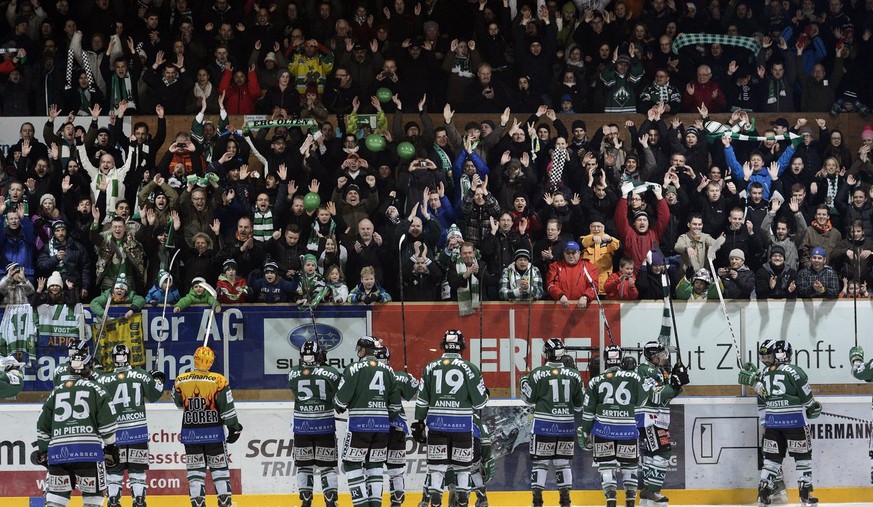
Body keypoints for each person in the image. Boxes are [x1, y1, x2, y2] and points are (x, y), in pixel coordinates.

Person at [36, 339, 119, 507]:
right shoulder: (98, 389)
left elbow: (42, 425)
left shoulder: (56, 392)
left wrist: (44, 450)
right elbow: (107, 426)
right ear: (89, 368)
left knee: (56, 496)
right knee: (93, 495)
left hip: (59, 452)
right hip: (89, 452)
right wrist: (111, 448)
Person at [738, 340, 821, 507]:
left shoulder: (765, 374)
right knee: (802, 458)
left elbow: (764, 397)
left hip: (773, 423)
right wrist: (813, 407)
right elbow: (807, 398)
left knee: (771, 461)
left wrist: (754, 382)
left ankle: (764, 493)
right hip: (795, 423)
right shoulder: (795, 371)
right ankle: (805, 496)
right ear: (788, 354)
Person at [412, 330, 488, 507]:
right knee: (463, 469)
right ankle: (462, 500)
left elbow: (422, 400)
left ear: (443, 346)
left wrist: (419, 422)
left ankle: (436, 500)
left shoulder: (430, 367)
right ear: (462, 347)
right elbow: (480, 404)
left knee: (437, 470)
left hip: (437, 426)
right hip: (462, 427)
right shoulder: (470, 367)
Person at [578, 346, 651, 507]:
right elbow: (642, 401)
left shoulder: (596, 380)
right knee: (630, 467)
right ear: (620, 358)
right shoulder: (635, 377)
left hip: (604, 431)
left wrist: (585, 431)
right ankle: (630, 501)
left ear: (605, 358)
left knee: (606, 467)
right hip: (627, 431)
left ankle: (611, 500)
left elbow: (588, 412)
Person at [334, 336, 401, 507]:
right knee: (375, 465)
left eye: (359, 349)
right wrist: (383, 419)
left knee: (351, 464)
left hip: (359, 425)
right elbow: (395, 406)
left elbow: (340, 402)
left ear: (363, 350)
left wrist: (341, 406)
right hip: (382, 427)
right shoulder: (388, 370)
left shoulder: (353, 368)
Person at [173, 345, 243, 507]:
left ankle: (197, 503)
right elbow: (227, 408)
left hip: (191, 435)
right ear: (211, 362)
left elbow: (178, 403)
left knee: (195, 473)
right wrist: (234, 427)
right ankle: (224, 501)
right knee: (220, 471)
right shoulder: (219, 380)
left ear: (195, 359)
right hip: (214, 434)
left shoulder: (180, 380)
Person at [96, 345, 164, 507]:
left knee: (114, 471)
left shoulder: (103, 379)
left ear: (113, 359)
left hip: (114, 434)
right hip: (138, 432)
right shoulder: (140, 375)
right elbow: (155, 394)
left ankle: (113, 500)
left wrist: (95, 371)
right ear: (129, 357)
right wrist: (158, 378)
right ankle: (139, 500)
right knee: (137, 471)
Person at [519, 338, 583, 507]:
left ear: (547, 354)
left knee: (540, 463)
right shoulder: (574, 374)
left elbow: (527, 399)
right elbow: (579, 406)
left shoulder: (538, 373)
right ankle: (565, 499)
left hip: (543, 426)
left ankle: (537, 500)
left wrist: (524, 382)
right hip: (566, 427)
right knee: (563, 464)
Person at [287, 340, 341, 507]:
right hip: (325, 426)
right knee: (327, 468)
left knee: (304, 467)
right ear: (319, 355)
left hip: (302, 428)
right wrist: (325, 364)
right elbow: (342, 389)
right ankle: (330, 501)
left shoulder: (293, 373)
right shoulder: (331, 372)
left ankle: (306, 501)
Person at [636, 342, 689, 507]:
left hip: (657, 418)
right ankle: (651, 490)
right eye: (662, 354)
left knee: (653, 456)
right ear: (653, 356)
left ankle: (646, 500)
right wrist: (673, 384)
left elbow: (667, 396)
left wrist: (678, 381)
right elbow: (655, 396)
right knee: (663, 452)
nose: (665, 357)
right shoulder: (645, 370)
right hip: (648, 419)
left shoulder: (660, 370)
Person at [374, 345, 420, 507]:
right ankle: (397, 502)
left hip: (373, 427)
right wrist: (408, 377)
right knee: (396, 470)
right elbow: (416, 389)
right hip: (396, 426)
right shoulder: (398, 376)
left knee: (374, 470)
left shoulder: (364, 374)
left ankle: (374, 501)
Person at [546, 241, 597, 308]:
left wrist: (585, 297)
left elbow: (594, 286)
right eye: (568, 253)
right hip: (561, 308)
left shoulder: (589, 267)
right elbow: (551, 284)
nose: (571, 256)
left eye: (573, 253)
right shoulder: (555, 266)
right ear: (564, 253)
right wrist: (560, 295)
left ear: (579, 253)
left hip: (583, 309)